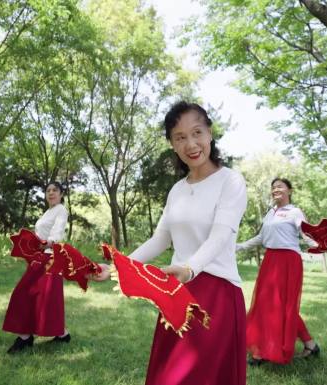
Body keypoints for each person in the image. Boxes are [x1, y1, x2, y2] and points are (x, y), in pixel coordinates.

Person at [93, 101, 248, 385]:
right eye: (180, 137)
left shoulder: (231, 181)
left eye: (197, 132)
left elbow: (220, 236)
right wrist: (116, 266)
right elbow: (161, 238)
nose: (191, 143)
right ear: (172, 144)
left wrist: (189, 268)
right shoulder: (177, 190)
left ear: (210, 133)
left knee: (201, 376)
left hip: (217, 295)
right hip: (176, 293)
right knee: (170, 376)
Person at [235, 177, 321, 365]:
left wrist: (320, 246)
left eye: (280, 187)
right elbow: (261, 237)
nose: (276, 190)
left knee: (282, 306)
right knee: (266, 304)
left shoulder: (294, 211)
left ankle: (262, 353)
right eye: (273, 188)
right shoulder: (270, 213)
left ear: (289, 191)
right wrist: (239, 246)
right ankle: (310, 344)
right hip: (270, 260)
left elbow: (306, 234)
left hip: (289, 261)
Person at [2, 181, 70, 352]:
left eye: (55, 190)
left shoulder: (61, 209)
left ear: (61, 194)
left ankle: (26, 338)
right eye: (48, 190)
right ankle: (61, 335)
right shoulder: (48, 211)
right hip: (39, 257)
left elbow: (57, 232)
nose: (51, 193)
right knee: (31, 295)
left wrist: (47, 243)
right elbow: (40, 234)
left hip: (51, 258)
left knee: (40, 297)